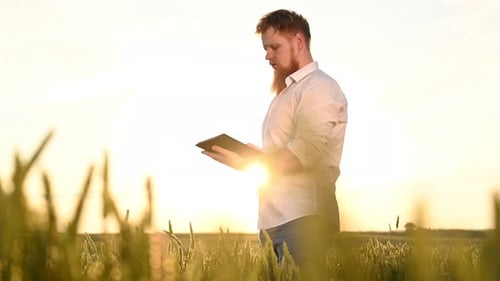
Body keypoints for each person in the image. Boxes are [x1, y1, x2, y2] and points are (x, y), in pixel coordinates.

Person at [202, 9, 348, 280]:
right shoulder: (284, 94)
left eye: (274, 47)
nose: (267, 55)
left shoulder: (319, 87)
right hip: (274, 221)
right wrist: (251, 157)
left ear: (299, 42)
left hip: (304, 219)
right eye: (265, 48)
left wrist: (250, 162)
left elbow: (303, 153)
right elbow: (281, 154)